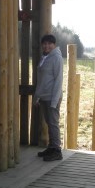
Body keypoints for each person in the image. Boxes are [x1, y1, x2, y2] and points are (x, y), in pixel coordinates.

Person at [33, 33, 63, 161]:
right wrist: (37, 97)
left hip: (52, 97)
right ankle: (51, 147)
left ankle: (57, 151)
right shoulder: (45, 57)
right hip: (44, 97)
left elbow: (58, 80)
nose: (47, 46)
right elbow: (42, 80)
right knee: (49, 123)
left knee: (53, 123)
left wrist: (54, 101)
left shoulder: (56, 58)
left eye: (49, 44)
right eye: (44, 44)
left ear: (54, 45)